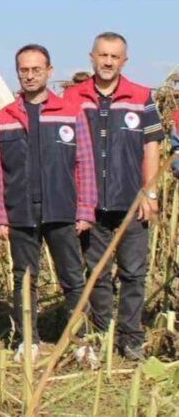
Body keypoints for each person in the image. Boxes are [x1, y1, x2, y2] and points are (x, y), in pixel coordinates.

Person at [0, 44, 97, 365]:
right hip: (20, 211)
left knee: (73, 278)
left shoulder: (70, 112)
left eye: (37, 69)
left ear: (49, 71)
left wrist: (86, 208)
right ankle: (28, 340)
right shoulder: (5, 116)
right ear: (17, 72)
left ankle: (82, 341)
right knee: (24, 280)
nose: (30, 75)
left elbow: (85, 162)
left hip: (63, 210)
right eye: (24, 69)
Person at [65, 32, 164, 360]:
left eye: (114, 57)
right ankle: (102, 335)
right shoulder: (73, 97)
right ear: (91, 57)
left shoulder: (141, 96)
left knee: (134, 274)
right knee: (97, 274)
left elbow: (151, 148)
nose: (108, 62)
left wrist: (149, 193)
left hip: (131, 203)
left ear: (124, 61)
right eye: (102, 55)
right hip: (90, 205)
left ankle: (131, 338)